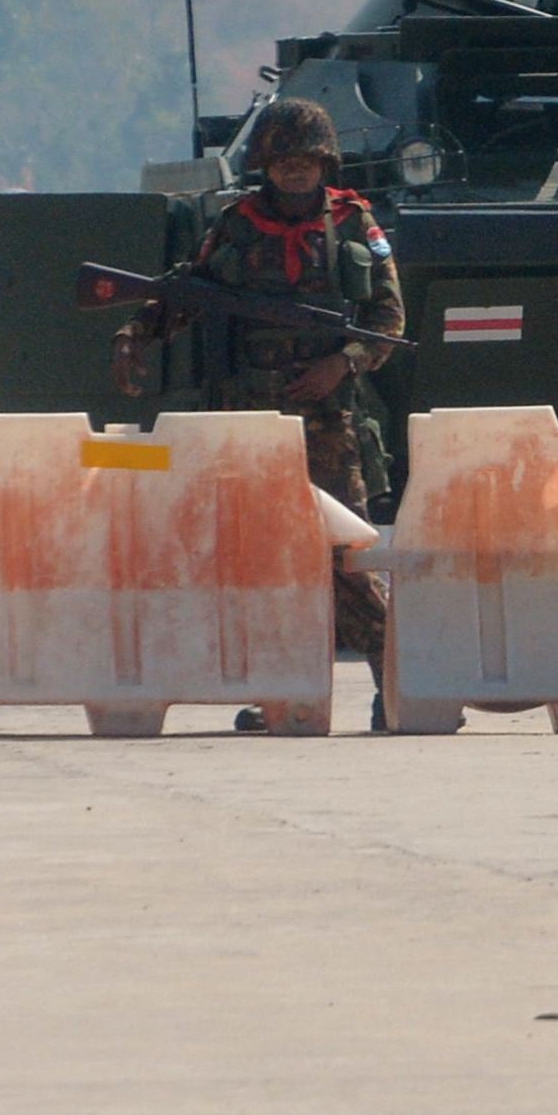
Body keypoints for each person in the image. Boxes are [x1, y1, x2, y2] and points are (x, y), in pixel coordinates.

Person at [112, 98, 405, 708]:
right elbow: (187, 294)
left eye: (306, 161)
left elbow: (388, 318)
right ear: (265, 165)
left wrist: (341, 364)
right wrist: (137, 333)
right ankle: (279, 693)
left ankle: (397, 687)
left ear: (325, 162)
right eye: (282, 162)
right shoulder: (238, 225)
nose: (294, 173)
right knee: (265, 560)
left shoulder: (354, 224)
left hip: (328, 418)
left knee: (347, 555)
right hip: (254, 423)